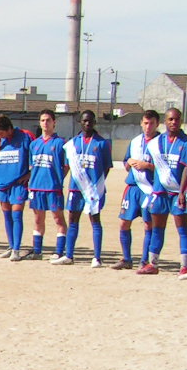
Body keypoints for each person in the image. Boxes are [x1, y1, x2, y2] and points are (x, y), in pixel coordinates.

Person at [55, 109, 114, 267]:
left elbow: (107, 167)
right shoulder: (73, 143)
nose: (87, 123)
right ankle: (69, 255)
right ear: (80, 122)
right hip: (76, 188)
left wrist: (96, 185)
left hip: (93, 189)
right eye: (84, 120)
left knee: (95, 220)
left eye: (90, 121)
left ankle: (97, 258)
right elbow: (67, 166)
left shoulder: (102, 143)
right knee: (73, 220)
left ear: (95, 122)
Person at [137, 107, 187, 275]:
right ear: (165, 121)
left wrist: (183, 191)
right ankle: (153, 264)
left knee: (182, 228)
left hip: (178, 192)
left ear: (181, 120)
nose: (174, 122)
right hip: (160, 191)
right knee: (157, 228)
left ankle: (184, 266)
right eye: (170, 119)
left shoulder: (186, 142)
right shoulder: (156, 143)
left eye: (177, 119)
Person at [111, 109, 161, 271]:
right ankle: (126, 258)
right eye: (145, 123)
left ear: (157, 124)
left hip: (150, 189)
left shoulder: (161, 142)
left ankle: (145, 260)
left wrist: (148, 166)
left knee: (148, 225)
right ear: (141, 123)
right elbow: (126, 163)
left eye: (151, 123)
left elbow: (166, 168)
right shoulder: (135, 141)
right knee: (123, 223)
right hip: (133, 187)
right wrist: (130, 163)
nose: (148, 126)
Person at [25, 109, 67, 261]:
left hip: (53, 188)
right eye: (42, 120)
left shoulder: (60, 143)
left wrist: (58, 179)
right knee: (38, 219)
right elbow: (31, 166)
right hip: (36, 187)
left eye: (48, 120)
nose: (45, 123)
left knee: (58, 219)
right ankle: (37, 251)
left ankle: (59, 251)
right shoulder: (34, 144)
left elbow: (66, 166)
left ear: (54, 122)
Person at [0, 113, 31, 261]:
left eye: (1, 133)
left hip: (18, 183)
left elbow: (35, 157)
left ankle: (16, 250)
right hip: (2, 183)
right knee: (7, 216)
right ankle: (11, 246)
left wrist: (30, 174)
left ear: (8, 129)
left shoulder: (25, 137)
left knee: (17, 214)